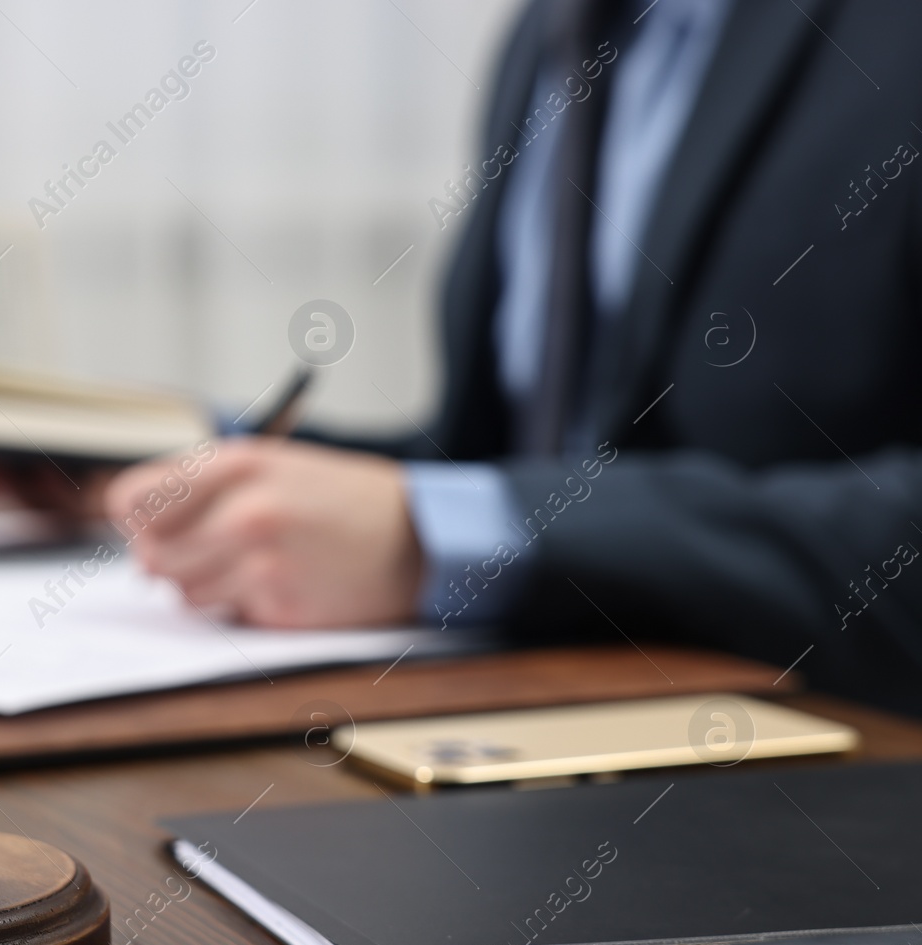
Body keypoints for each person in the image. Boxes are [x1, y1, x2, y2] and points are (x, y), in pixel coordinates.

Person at [105, 0, 922, 713]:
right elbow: (496, 462)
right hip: (539, 723)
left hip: (828, 771)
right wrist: (191, 456)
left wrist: (440, 536)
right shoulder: (552, 32)